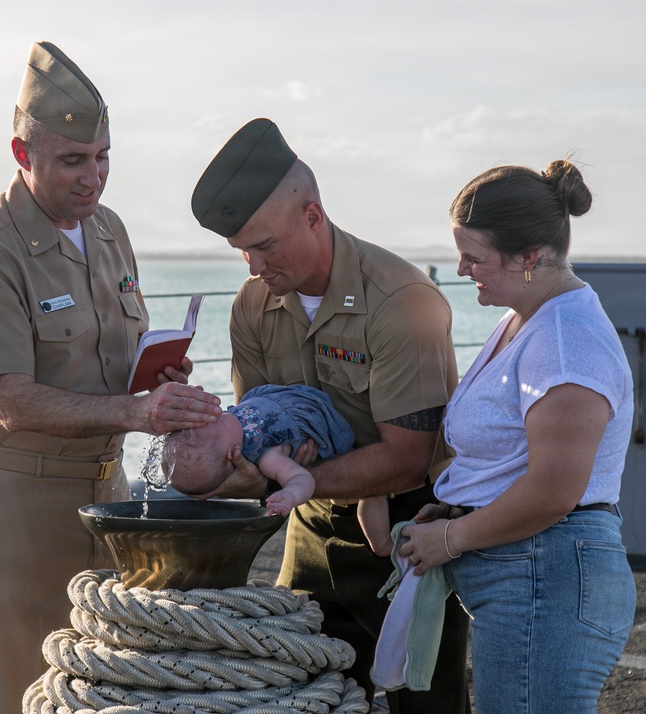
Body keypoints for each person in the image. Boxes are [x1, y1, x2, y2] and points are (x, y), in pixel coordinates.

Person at [0, 41, 222, 714]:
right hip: (18, 507)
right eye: (72, 160)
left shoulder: (109, 231)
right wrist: (138, 414)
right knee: (9, 695)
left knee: (100, 693)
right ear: (21, 153)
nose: (92, 178)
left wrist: (156, 375)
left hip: (109, 498)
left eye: (102, 158)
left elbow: (106, 364)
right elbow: (10, 402)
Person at [188, 118, 471, 712]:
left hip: (409, 530)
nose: (253, 265)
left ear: (313, 216)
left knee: (425, 702)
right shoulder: (252, 304)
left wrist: (278, 480)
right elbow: (256, 426)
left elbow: (407, 458)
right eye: (241, 250)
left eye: (265, 245)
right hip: (310, 526)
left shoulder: (402, 301)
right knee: (296, 696)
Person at [398, 159, 638, 712]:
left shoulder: (565, 341)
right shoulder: (526, 320)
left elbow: (554, 491)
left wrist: (452, 538)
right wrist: (459, 504)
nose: (462, 268)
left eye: (474, 256)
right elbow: (513, 458)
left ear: (529, 257)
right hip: (532, 574)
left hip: (546, 577)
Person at [166, 384, 394, 555]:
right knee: (370, 490)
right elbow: (302, 477)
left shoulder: (225, 433)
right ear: (232, 453)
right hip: (319, 422)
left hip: (287, 398)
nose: (216, 415)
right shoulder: (265, 455)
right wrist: (290, 493)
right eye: (217, 422)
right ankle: (381, 542)